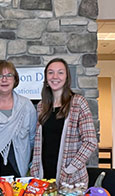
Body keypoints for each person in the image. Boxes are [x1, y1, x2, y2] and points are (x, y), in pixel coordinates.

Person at [30, 58, 97, 188]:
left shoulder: (78, 103)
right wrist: (35, 169)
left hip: (71, 180)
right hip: (44, 178)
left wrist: (71, 168)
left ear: (67, 77)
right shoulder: (41, 106)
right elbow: (39, 143)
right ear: (46, 78)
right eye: (50, 72)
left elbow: (90, 141)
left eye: (60, 72)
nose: (55, 76)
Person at [0, 60, 37, 178]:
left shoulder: (26, 105)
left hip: (17, 165)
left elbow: (32, 138)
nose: (4, 79)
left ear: (15, 79)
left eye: (9, 75)